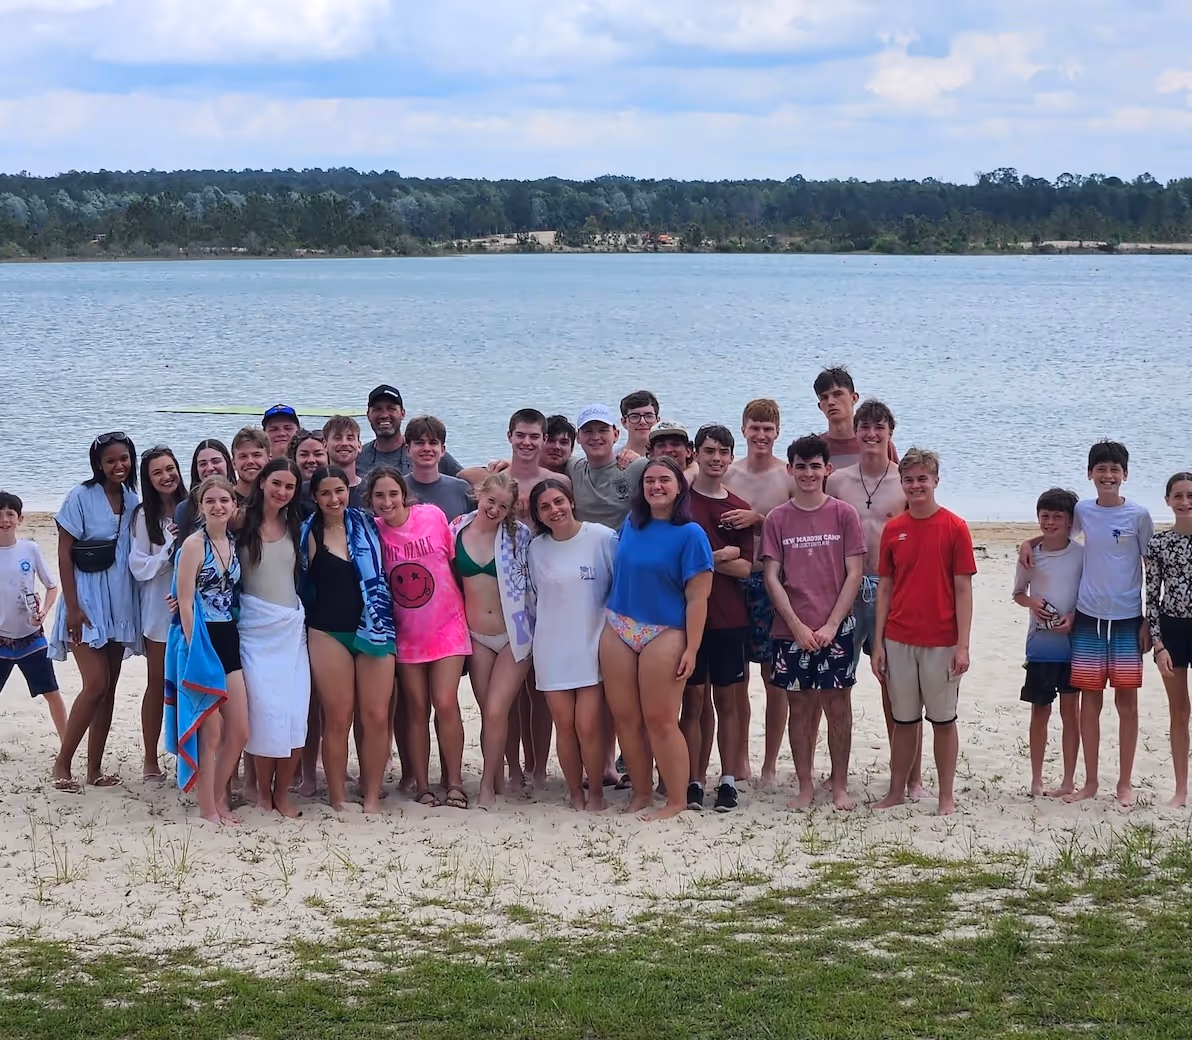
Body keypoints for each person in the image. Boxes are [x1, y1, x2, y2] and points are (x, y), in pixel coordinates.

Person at [1021, 441, 1153, 807]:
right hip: (1089, 619)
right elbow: (1057, 531)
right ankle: (1091, 782)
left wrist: (1147, 620)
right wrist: (1027, 542)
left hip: (1127, 619)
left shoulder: (1139, 516)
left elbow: (1150, 567)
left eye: (1115, 469)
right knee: (1089, 703)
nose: (1108, 476)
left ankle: (1124, 783)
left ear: (1125, 474)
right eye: (1101, 469)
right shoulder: (1083, 510)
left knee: (1126, 703)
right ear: (1090, 474)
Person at [600, 457, 713, 821]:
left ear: (679, 487)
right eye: (649, 481)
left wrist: (692, 648)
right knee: (625, 719)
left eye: (665, 480)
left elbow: (698, 598)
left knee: (661, 719)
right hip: (619, 625)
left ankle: (677, 799)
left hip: (665, 631)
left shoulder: (691, 534)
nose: (656, 487)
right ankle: (642, 793)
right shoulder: (632, 523)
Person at [825, 399, 923, 799]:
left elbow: (926, 528)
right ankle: (838, 777)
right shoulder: (837, 481)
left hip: (890, 586)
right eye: (864, 426)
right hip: (845, 586)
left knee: (896, 686)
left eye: (879, 427)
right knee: (837, 686)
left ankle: (910, 776)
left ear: (890, 433)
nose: (870, 433)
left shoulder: (905, 480)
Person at [762, 435, 865, 811]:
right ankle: (804, 785)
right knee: (800, 707)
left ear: (827, 469)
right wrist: (797, 626)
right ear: (790, 470)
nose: (808, 473)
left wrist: (832, 625)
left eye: (815, 466)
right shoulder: (778, 518)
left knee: (838, 706)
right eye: (801, 466)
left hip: (836, 627)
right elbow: (772, 577)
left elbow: (854, 573)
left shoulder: (844, 514)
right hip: (790, 631)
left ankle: (839, 786)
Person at [872, 448, 976, 816]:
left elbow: (963, 589)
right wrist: (879, 642)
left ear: (935, 481)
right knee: (904, 720)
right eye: (909, 479)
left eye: (922, 479)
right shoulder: (893, 529)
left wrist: (962, 645)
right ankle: (896, 791)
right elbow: (885, 587)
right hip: (899, 638)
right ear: (901, 483)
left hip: (942, 641)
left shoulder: (955, 527)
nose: (916, 485)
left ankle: (946, 796)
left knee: (943, 720)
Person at [370, 466, 470, 807]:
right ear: (371, 500)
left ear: (404, 493)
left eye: (393, 493)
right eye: (379, 495)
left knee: (445, 702)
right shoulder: (374, 532)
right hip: (406, 633)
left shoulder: (432, 515)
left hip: (447, 624)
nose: (387, 502)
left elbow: (454, 563)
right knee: (416, 709)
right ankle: (422, 785)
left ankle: (454, 782)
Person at [299, 465, 396, 813]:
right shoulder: (306, 534)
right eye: (325, 492)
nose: (333, 498)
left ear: (348, 491)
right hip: (327, 631)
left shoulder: (370, 525)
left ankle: (371, 795)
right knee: (337, 718)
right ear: (314, 497)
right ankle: (338, 796)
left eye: (339, 490)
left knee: (376, 716)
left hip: (375, 626)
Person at [49, 432, 142, 792]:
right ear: (98, 465)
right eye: (110, 460)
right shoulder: (80, 496)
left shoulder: (134, 501)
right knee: (95, 685)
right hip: (85, 602)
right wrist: (72, 608)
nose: (119, 466)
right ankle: (62, 764)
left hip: (118, 601)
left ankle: (94, 770)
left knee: (110, 690)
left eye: (124, 459)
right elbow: (63, 552)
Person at [527, 478, 617, 811]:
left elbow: (620, 589)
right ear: (538, 515)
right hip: (551, 647)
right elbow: (533, 599)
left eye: (559, 502)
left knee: (588, 725)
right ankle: (575, 792)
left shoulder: (602, 538)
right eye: (545, 507)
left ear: (572, 502)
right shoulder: (536, 548)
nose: (554, 510)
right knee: (564, 727)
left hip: (592, 645)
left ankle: (595, 791)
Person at [449, 473, 535, 809]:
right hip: (477, 636)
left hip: (514, 635)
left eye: (503, 505)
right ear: (479, 495)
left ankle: (487, 785)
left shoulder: (518, 536)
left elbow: (535, 583)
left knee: (498, 709)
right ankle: (498, 777)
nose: (495, 509)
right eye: (490, 501)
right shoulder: (456, 528)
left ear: (512, 508)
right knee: (488, 712)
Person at [723, 398, 795, 787]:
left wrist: (760, 519)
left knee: (773, 679)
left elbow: (796, 530)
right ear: (744, 429)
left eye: (768, 429)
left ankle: (769, 762)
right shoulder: (728, 474)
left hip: (772, 585)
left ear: (777, 432)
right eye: (755, 428)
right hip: (734, 580)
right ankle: (740, 759)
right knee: (737, 680)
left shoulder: (787, 476)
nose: (761, 435)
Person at [170, 475, 249, 824]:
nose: (218, 506)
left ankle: (218, 798)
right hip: (199, 640)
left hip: (228, 636)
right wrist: (193, 648)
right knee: (209, 730)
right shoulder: (193, 544)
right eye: (211, 501)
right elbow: (184, 602)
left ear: (234, 506)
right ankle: (208, 809)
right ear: (200, 507)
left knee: (240, 730)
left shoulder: (232, 541)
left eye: (224, 501)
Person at [684, 425, 753, 812]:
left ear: (730, 457)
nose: (716, 458)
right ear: (696, 453)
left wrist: (713, 560)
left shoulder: (738, 508)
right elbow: (678, 562)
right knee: (693, 703)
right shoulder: (682, 503)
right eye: (709, 450)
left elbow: (746, 568)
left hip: (729, 616)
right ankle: (694, 778)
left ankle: (728, 779)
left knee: (728, 702)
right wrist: (721, 555)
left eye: (723, 452)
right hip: (689, 619)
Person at [237, 458, 309, 817]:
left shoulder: (296, 526)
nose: (282, 492)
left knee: (296, 713)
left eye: (290, 486)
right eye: (276, 483)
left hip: (291, 629)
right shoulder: (239, 522)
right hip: (254, 630)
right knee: (265, 713)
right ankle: (262, 792)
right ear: (262, 482)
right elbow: (203, 551)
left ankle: (283, 792)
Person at [1011, 488, 1082, 798]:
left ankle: (1068, 780)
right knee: (1040, 711)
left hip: (1073, 645)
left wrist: (1074, 617)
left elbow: (1089, 594)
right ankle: (1037, 779)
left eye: (1057, 517)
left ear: (1070, 521)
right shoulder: (1030, 555)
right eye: (1045, 516)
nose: (1050, 522)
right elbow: (1018, 593)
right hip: (1039, 646)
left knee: (1071, 711)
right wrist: (1032, 602)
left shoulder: (1082, 554)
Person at [128, 445, 186, 780]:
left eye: (170, 468)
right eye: (157, 472)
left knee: (188, 682)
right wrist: (167, 550)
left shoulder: (190, 506)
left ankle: (188, 754)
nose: (166, 477)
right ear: (148, 480)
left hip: (191, 605)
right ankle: (151, 758)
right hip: (157, 609)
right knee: (157, 683)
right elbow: (139, 566)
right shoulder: (142, 516)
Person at [0, 491, 65, 739]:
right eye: (0, 514)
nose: (4, 519)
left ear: (20, 519)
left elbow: (51, 586)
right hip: (1, 641)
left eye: (10, 514)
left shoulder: (30, 549)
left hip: (31, 639)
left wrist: (44, 611)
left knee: (52, 692)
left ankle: (66, 747)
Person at [1147, 472, 1192, 808]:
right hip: (1173, 631)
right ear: (1167, 501)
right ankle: (1180, 789)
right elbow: (1151, 597)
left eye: (1191, 495)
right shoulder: (1158, 544)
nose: (1186, 502)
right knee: (1179, 711)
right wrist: (1159, 645)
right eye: (1178, 496)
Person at [567, 404, 649, 530]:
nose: (595, 437)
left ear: (616, 434)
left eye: (603, 430)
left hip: (622, 546)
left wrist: (692, 468)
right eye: (588, 431)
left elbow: (675, 472)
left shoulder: (637, 466)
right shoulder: (573, 467)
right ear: (578, 437)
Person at [357, 384, 463, 478]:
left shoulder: (424, 451)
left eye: (391, 409)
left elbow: (463, 477)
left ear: (402, 413)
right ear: (368, 415)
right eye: (378, 409)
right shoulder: (359, 457)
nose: (384, 415)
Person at [814, 367, 898, 470]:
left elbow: (898, 480)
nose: (831, 402)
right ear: (820, 406)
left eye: (837, 394)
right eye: (824, 398)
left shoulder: (877, 442)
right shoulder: (816, 448)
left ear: (854, 398)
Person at [404, 416, 474, 521]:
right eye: (419, 443)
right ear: (407, 449)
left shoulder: (461, 490)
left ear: (442, 450)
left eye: (433, 443)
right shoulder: (397, 489)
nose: (427, 448)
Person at [175, 439, 234, 537]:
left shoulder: (243, 503)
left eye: (216, 461)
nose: (210, 468)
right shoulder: (184, 509)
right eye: (203, 464)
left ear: (228, 463)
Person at [322, 415, 367, 508]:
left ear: (359, 446)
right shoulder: (311, 490)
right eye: (337, 438)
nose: (344, 443)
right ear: (325, 445)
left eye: (350, 438)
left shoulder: (370, 490)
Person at [231, 427, 270, 504]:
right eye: (243, 456)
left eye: (256, 455)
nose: (250, 461)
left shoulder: (278, 499)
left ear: (269, 459)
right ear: (234, 463)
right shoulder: (224, 501)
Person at [620, 391, 660, 457]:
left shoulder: (668, 458)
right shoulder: (612, 458)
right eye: (635, 416)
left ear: (657, 421)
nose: (642, 421)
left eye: (649, 416)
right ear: (624, 422)